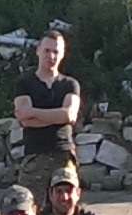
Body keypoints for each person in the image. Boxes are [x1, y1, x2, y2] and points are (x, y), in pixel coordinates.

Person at [10, 28, 81, 197]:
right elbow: (25, 119)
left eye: (56, 52)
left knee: (65, 205)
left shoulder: (70, 84)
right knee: (30, 204)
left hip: (63, 154)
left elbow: (69, 116)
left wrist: (33, 112)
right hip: (35, 155)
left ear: (63, 54)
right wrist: (56, 116)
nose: (51, 56)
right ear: (38, 51)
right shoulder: (24, 83)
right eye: (47, 50)